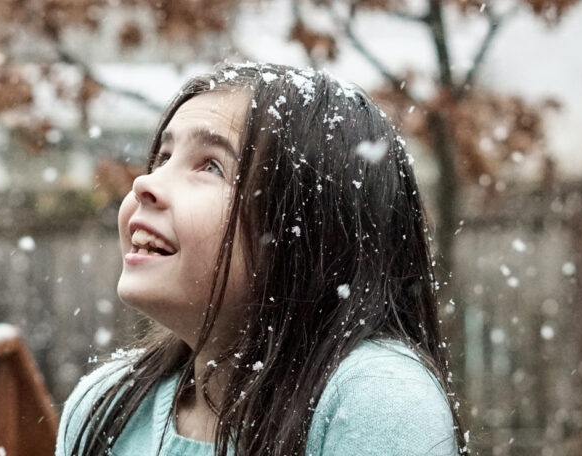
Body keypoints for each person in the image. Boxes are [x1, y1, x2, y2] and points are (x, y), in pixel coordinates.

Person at [57, 62, 465, 456]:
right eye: (163, 158)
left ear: (306, 229)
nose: (145, 183)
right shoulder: (106, 408)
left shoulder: (376, 402)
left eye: (211, 165)